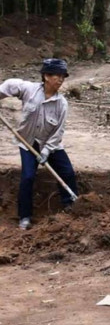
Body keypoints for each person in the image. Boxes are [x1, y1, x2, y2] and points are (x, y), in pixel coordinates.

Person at [1, 59, 79, 230]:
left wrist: (47, 151)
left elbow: (58, 131)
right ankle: (25, 217)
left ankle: (71, 205)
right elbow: (10, 84)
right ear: (46, 76)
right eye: (57, 76)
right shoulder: (29, 90)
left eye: (63, 77)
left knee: (67, 172)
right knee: (28, 177)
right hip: (27, 142)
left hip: (50, 145)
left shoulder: (61, 103)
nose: (61, 80)